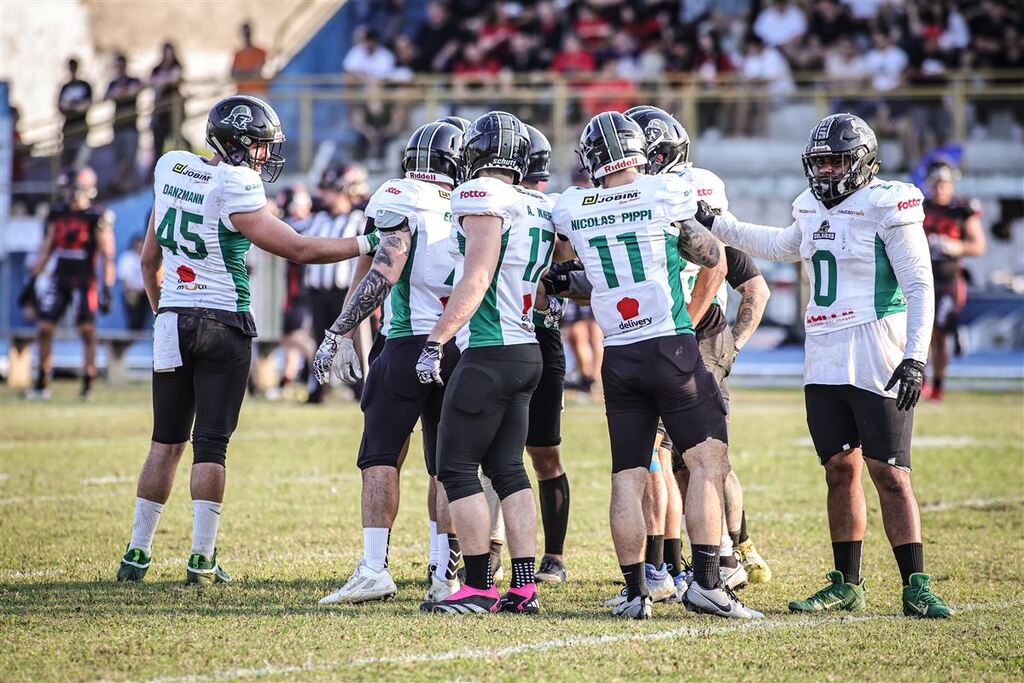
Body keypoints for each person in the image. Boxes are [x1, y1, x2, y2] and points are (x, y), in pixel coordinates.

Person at [115, 95, 379, 585]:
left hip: (172, 318)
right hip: (222, 320)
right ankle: (200, 557)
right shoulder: (236, 183)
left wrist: (164, 311)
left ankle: (137, 553)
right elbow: (297, 247)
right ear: (237, 143)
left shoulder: (173, 167)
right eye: (258, 145)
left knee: (163, 443)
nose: (264, 155)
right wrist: (368, 242)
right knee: (210, 446)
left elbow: (151, 258)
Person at [702, 112, 951, 618]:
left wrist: (914, 357)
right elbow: (778, 245)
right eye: (820, 161)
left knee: (891, 471)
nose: (828, 170)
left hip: (875, 345)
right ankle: (847, 582)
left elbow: (921, 285)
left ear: (862, 160)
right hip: (824, 350)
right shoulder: (809, 206)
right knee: (839, 468)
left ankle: (917, 585)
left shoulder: (889, 204)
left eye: (837, 159)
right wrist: (716, 224)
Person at [551, 111, 760, 620]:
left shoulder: (572, 205)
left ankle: (635, 591)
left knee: (629, 473)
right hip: (672, 346)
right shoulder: (664, 195)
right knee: (708, 463)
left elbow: (571, 273)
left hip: (618, 354)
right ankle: (709, 582)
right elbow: (711, 254)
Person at [312, 121, 466, 606]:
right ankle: (445, 572)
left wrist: (339, 329)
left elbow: (385, 268)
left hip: (407, 340)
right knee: (447, 465)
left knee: (380, 454)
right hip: (459, 343)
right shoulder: (472, 202)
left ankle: (375, 567)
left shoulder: (400, 195)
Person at [625, 105, 773, 600]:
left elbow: (744, 282)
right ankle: (697, 560)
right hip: (663, 334)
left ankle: (723, 556)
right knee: (676, 457)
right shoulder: (642, 198)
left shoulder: (690, 193)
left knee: (693, 454)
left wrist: (727, 346)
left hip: (693, 334)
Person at [417, 111, 556, 615]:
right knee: (508, 470)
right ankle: (523, 586)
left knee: (455, 468)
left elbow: (476, 276)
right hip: (526, 351)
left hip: (489, 352)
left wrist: (436, 340)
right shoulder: (537, 205)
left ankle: (476, 586)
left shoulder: (481, 195)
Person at [520, 124, 573, 584]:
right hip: (497, 335)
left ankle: (553, 555)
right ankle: (492, 550)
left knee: (543, 452)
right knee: (491, 455)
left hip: (540, 335)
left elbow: (575, 271)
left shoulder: (555, 211)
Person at [27, 167, 115, 400]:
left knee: (86, 331)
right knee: (44, 328)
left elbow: (108, 254)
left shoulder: (96, 216)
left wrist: (107, 287)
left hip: (84, 280)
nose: (68, 193)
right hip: (60, 277)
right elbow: (47, 248)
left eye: (71, 188)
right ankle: (42, 380)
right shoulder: (58, 214)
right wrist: (33, 278)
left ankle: (88, 380)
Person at [303, 164, 368, 404]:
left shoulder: (358, 220)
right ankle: (319, 388)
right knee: (319, 341)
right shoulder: (317, 219)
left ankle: (361, 387)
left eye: (331, 191)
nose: (325, 196)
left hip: (346, 291)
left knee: (353, 340)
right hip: (319, 292)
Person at [922, 162, 986, 401]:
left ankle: (937, 385)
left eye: (944, 184)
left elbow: (979, 245)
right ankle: (921, 382)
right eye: (937, 183)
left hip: (948, 281)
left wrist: (956, 246)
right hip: (923, 279)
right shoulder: (920, 208)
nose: (940, 189)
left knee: (940, 334)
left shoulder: (962, 210)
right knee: (921, 333)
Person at [105, 54, 143, 192]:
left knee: (130, 159)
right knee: (119, 160)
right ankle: (121, 188)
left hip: (130, 126)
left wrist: (122, 93)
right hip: (118, 126)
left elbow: (136, 89)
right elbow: (107, 95)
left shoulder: (133, 80)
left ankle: (131, 187)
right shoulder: (113, 83)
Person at [150, 43, 185, 162]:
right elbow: (151, 82)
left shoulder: (176, 66)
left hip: (173, 109)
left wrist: (162, 81)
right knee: (158, 139)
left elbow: (174, 78)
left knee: (176, 136)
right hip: (159, 109)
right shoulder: (157, 68)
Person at [58, 58, 92, 170]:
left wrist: (71, 105)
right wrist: (76, 105)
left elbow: (86, 106)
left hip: (81, 127)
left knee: (80, 160)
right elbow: (61, 106)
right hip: (68, 128)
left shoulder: (85, 85)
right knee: (66, 161)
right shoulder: (65, 87)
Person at [117, 233, 150, 330]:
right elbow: (124, 278)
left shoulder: (148, 257)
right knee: (133, 319)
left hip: (146, 293)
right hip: (131, 291)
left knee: (143, 318)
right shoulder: (127, 258)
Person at [231, 22, 268, 95]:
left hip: (258, 92)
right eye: (244, 32)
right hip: (241, 92)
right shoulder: (238, 54)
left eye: (247, 32)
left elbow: (256, 73)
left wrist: (242, 74)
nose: (246, 35)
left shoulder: (260, 52)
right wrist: (248, 74)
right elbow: (233, 74)